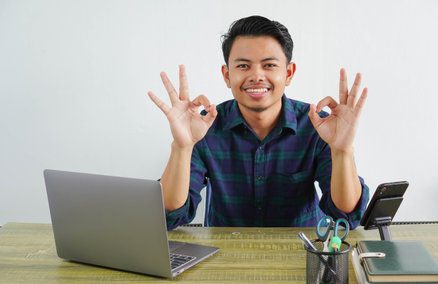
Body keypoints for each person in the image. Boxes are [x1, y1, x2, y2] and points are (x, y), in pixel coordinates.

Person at [148, 15, 369, 230]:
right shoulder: (204, 126)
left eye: (269, 65)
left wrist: (342, 150)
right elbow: (169, 216)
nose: (256, 76)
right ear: (227, 75)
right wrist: (182, 147)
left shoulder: (317, 126)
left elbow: (346, 215)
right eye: (243, 66)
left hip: (301, 257)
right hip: (226, 258)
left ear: (289, 73)